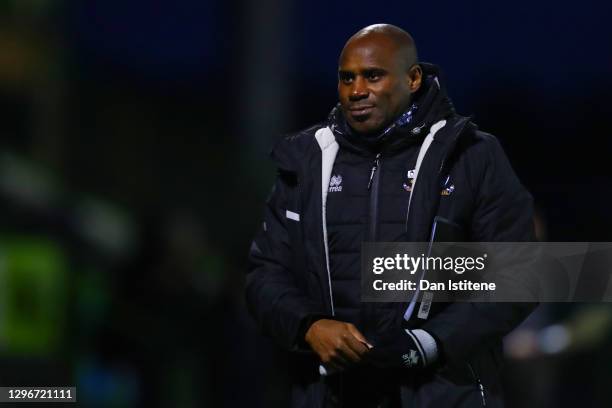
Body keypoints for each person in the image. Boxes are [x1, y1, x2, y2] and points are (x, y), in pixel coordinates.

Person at [246, 23, 535, 407]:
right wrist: (309, 326)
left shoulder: (470, 155)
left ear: (413, 78)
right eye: (346, 78)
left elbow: (521, 272)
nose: (357, 90)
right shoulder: (307, 160)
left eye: (373, 75)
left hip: (444, 393)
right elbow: (265, 274)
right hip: (332, 394)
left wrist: (428, 343)